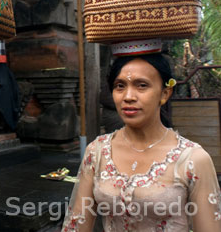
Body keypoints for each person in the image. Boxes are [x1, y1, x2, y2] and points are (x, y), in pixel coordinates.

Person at [62, 52, 221, 231]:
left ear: (165, 93)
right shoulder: (97, 152)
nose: (128, 96)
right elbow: (76, 225)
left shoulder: (193, 159)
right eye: (120, 86)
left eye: (142, 85)